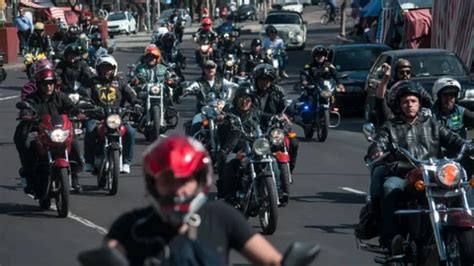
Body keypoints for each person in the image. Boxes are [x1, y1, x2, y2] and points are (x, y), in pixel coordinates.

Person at [103, 136, 282, 265]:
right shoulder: (130, 226)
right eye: (168, 180)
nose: (177, 189)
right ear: (153, 183)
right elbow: (107, 256)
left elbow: (274, 261)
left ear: (200, 181)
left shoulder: (222, 217)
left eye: (184, 180)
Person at [366, 80, 467, 252]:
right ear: (398, 105)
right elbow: (379, 143)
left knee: (463, 184)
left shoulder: (431, 123)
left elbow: (453, 139)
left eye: (413, 101)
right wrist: (377, 151)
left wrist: (467, 145)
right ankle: (391, 238)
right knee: (390, 187)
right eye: (405, 102)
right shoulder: (390, 126)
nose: (409, 105)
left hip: (433, 173)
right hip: (403, 173)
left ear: (419, 103)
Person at [14, 68, 84, 193]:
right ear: (39, 85)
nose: (48, 87)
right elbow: (26, 107)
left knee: (74, 143)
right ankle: (29, 176)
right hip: (40, 132)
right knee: (28, 144)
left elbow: (72, 107)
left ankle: (75, 176)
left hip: (59, 131)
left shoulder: (60, 97)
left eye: (51, 83)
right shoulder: (33, 98)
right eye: (45, 84)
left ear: (54, 84)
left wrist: (78, 112)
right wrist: (26, 114)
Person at [82, 55, 139, 174]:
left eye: (109, 68)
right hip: (97, 117)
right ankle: (89, 161)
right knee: (90, 129)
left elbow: (131, 94)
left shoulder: (120, 81)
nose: (106, 71)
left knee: (130, 132)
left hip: (117, 117)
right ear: (98, 69)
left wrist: (136, 103)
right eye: (103, 68)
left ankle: (126, 162)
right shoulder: (92, 82)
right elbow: (84, 95)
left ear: (114, 69)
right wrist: (86, 103)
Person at [252, 64, 299, 205]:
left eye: (267, 79)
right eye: (261, 79)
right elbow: (253, 111)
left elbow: (286, 105)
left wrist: (287, 113)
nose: (264, 82)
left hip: (276, 128)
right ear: (256, 80)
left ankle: (287, 171)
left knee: (295, 143)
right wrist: (269, 116)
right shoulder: (251, 92)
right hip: (256, 127)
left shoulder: (278, 91)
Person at [217, 84, 273, 201]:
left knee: (272, 160)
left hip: (254, 146)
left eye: (248, 99)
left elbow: (268, 116)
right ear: (236, 100)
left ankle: (276, 189)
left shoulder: (255, 112)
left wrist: (278, 117)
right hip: (235, 147)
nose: (245, 102)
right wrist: (222, 119)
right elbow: (221, 120)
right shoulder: (230, 113)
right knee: (230, 162)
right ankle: (230, 193)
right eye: (241, 99)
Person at [184, 60, 237, 135]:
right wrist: (188, 90)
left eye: (212, 67)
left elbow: (231, 84)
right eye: (207, 68)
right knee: (195, 123)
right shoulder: (199, 82)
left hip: (218, 110)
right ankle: (192, 143)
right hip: (203, 111)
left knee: (231, 123)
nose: (210, 70)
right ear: (204, 70)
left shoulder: (221, 80)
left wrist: (241, 86)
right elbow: (193, 86)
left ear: (215, 69)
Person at [374, 58, 433, 126]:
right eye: (401, 73)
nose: (405, 75)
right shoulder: (390, 89)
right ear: (396, 73)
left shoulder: (416, 88)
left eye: (408, 72)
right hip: (395, 124)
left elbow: (430, 103)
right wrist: (385, 79)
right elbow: (380, 102)